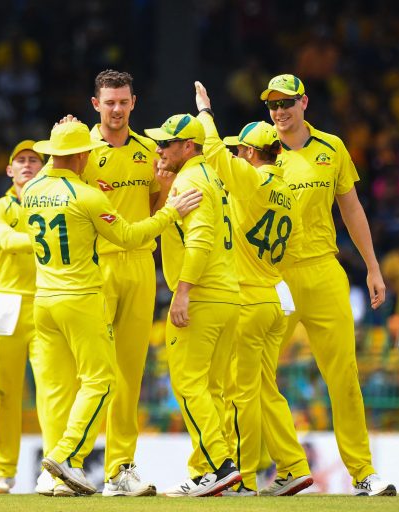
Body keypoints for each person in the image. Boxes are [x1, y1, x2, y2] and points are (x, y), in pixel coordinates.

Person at [24, 117, 202, 497]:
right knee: (100, 380)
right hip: (86, 287)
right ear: (82, 154)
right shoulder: (87, 195)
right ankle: (65, 459)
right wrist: (171, 211)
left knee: (74, 381)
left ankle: (101, 469)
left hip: (46, 294)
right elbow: (129, 235)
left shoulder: (32, 190)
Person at [260, 74, 396, 496]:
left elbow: (352, 210)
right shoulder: (260, 149)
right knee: (251, 374)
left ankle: (363, 473)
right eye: (272, 105)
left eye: (286, 103)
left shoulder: (332, 147)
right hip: (274, 276)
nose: (279, 112)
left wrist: (372, 267)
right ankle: (274, 469)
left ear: (303, 102)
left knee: (344, 376)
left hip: (323, 270)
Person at [195, 81, 311, 496]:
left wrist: (205, 112)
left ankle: (241, 477)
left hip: (245, 299)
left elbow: (212, 151)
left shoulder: (251, 181)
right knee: (266, 390)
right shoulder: (288, 194)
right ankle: (294, 467)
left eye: (239, 150)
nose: (236, 154)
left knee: (240, 393)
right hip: (274, 297)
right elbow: (295, 248)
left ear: (249, 153)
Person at [80, 69, 172, 497]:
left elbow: (156, 203)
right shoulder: (80, 151)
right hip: (96, 265)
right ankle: (69, 463)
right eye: (109, 102)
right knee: (92, 373)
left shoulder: (148, 150)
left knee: (130, 374)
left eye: (123, 102)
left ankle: (119, 470)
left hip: (140, 264)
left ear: (133, 103)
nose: (116, 110)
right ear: (95, 104)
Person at [144, 114, 242, 497]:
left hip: (201, 295)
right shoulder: (212, 176)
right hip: (227, 294)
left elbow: (199, 240)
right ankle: (210, 473)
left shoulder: (190, 181)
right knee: (212, 389)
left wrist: (182, 292)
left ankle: (220, 466)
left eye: (165, 144)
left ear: (188, 147)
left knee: (187, 384)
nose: (158, 150)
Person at [0, 140, 47, 494]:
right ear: (9, 170)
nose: (27, 165)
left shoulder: (55, 203)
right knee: (4, 393)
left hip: (46, 300)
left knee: (51, 391)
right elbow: (6, 240)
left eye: (34, 160)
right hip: (7, 301)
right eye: (20, 160)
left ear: (44, 168)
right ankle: (3, 471)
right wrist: (50, 237)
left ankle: (56, 467)